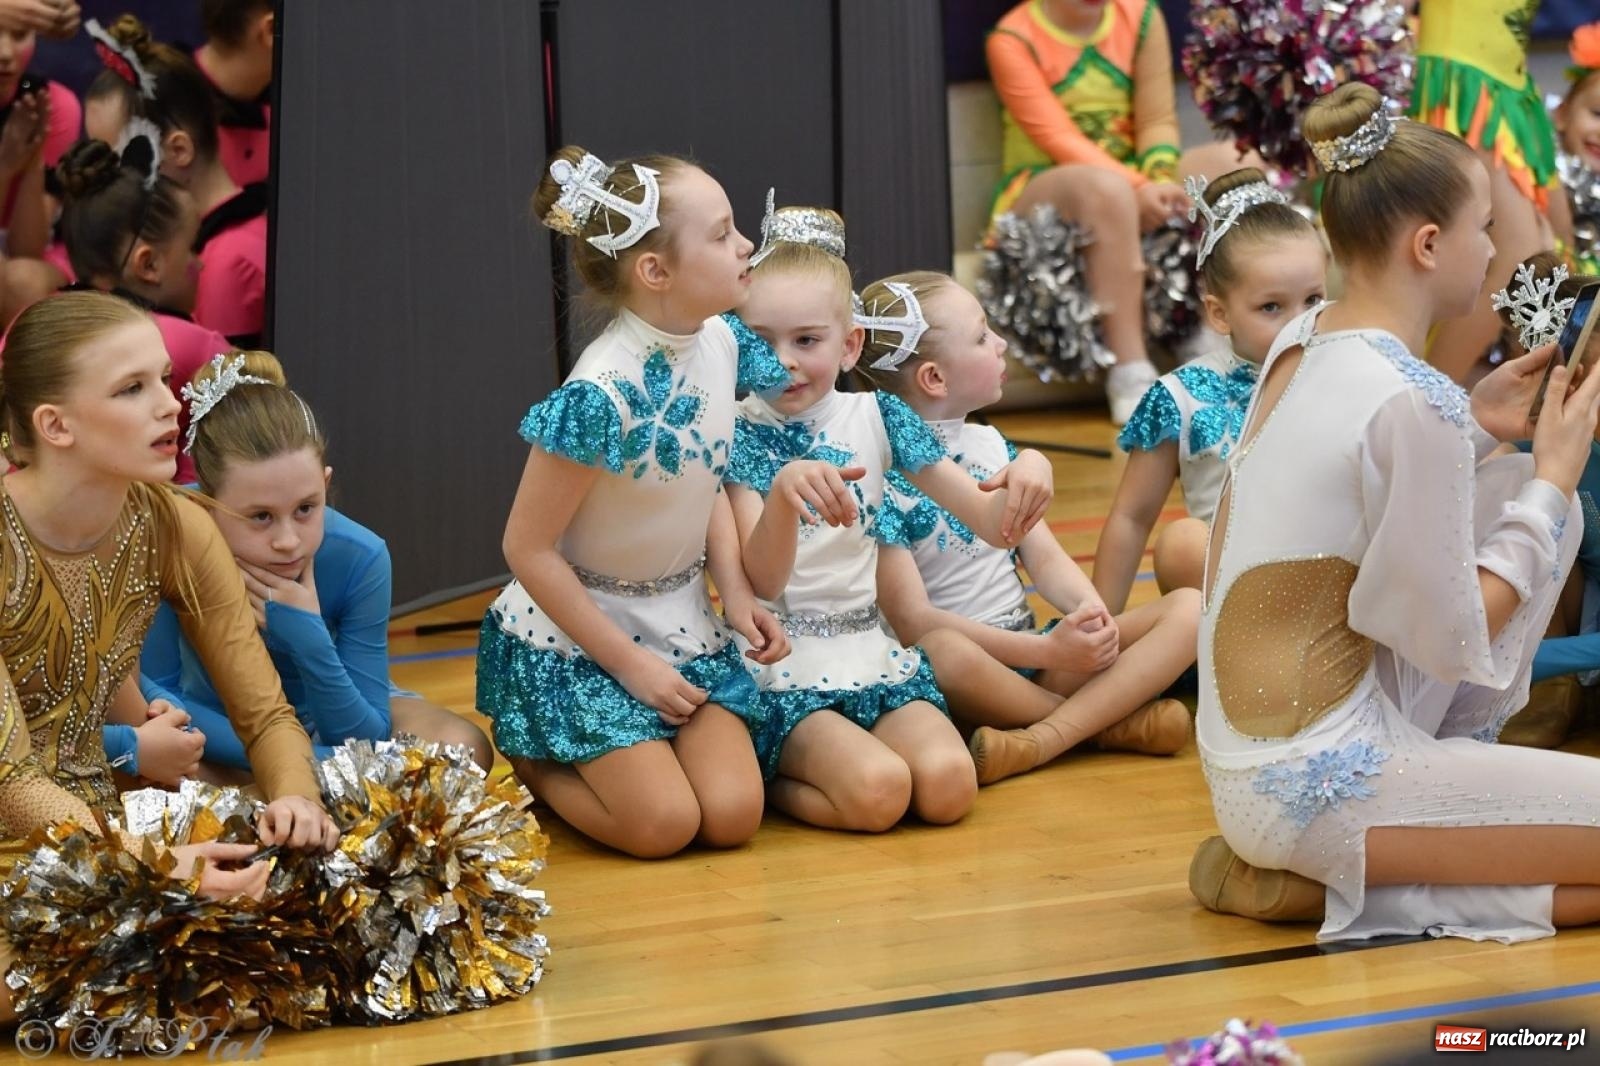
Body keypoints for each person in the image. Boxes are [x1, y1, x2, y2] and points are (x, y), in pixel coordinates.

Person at [1189, 83, 1600, 944]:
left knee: (1510, 489)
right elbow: (1459, 643)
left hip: (1242, 766)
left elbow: (1357, 516)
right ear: (1427, 244)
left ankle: (1325, 884)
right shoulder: (1409, 404)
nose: (1492, 248)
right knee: (1537, 503)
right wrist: (1554, 482)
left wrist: (1482, 426)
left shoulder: (1303, 341)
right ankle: (1345, 890)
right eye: (1484, 226)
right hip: (1322, 780)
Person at [0, 290, 338, 1020]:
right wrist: (153, 867)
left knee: (333, 913)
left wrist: (295, 802)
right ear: (53, 425)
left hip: (105, 818)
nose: (169, 405)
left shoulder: (177, 524)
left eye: (163, 379)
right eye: (133, 389)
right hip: (27, 824)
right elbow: (12, 781)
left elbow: (265, 712)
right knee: (28, 971)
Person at [475, 146, 790, 858]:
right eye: (722, 233)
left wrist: (734, 592)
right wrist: (628, 664)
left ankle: (631, 755)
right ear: (656, 271)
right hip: (583, 640)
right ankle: (534, 759)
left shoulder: (722, 342)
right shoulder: (600, 394)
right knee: (663, 826)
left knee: (734, 815)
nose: (746, 245)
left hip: (680, 619)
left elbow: (704, 472)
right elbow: (525, 549)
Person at [726, 205, 1052, 829]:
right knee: (879, 794)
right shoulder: (737, 431)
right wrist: (783, 498)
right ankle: (770, 775)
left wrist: (1032, 465)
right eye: (761, 341)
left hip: (871, 648)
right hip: (783, 664)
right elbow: (762, 583)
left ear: (850, 345)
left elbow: (990, 522)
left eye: (806, 340)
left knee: (950, 787)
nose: (784, 361)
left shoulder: (879, 417)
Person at [864, 269, 1196, 786]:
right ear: (934, 378)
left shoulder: (991, 445)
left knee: (1190, 609)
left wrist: (1089, 615)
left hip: (1035, 655)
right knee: (940, 652)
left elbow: (1043, 557)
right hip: (971, 674)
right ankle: (1101, 725)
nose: (999, 344)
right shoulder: (882, 475)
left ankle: (1040, 733)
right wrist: (1048, 651)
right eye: (981, 336)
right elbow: (915, 623)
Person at [120, 350, 492, 788]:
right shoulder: (170, 533)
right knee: (151, 774)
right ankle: (306, 791)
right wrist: (290, 758)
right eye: (260, 516)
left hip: (336, 713)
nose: (288, 540)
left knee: (460, 750)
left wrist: (308, 636)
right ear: (206, 502)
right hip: (219, 728)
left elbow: (362, 733)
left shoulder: (361, 556)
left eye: (305, 509)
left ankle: (283, 795)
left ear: (325, 483)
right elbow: (160, 692)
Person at [986, 0, 1248, 422]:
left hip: (1132, 175)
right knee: (1106, 190)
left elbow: (1157, 119)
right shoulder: (1011, 38)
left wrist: (1159, 178)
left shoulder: (1141, 16)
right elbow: (1058, 138)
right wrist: (1139, 188)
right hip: (1048, 185)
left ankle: (1212, 336)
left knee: (1230, 161)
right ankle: (1130, 370)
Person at [1094, 168, 1326, 615]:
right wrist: (1098, 624)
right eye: (1272, 307)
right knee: (1182, 543)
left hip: (1328, 585)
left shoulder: (1343, 368)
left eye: (1313, 300)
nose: (1299, 322)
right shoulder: (1183, 395)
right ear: (1220, 314)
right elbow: (1131, 518)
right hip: (1234, 592)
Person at [55, 136, 228, 484]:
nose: (201, 262)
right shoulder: (197, 346)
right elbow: (229, 472)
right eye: (193, 246)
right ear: (148, 264)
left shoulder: (24, 329)